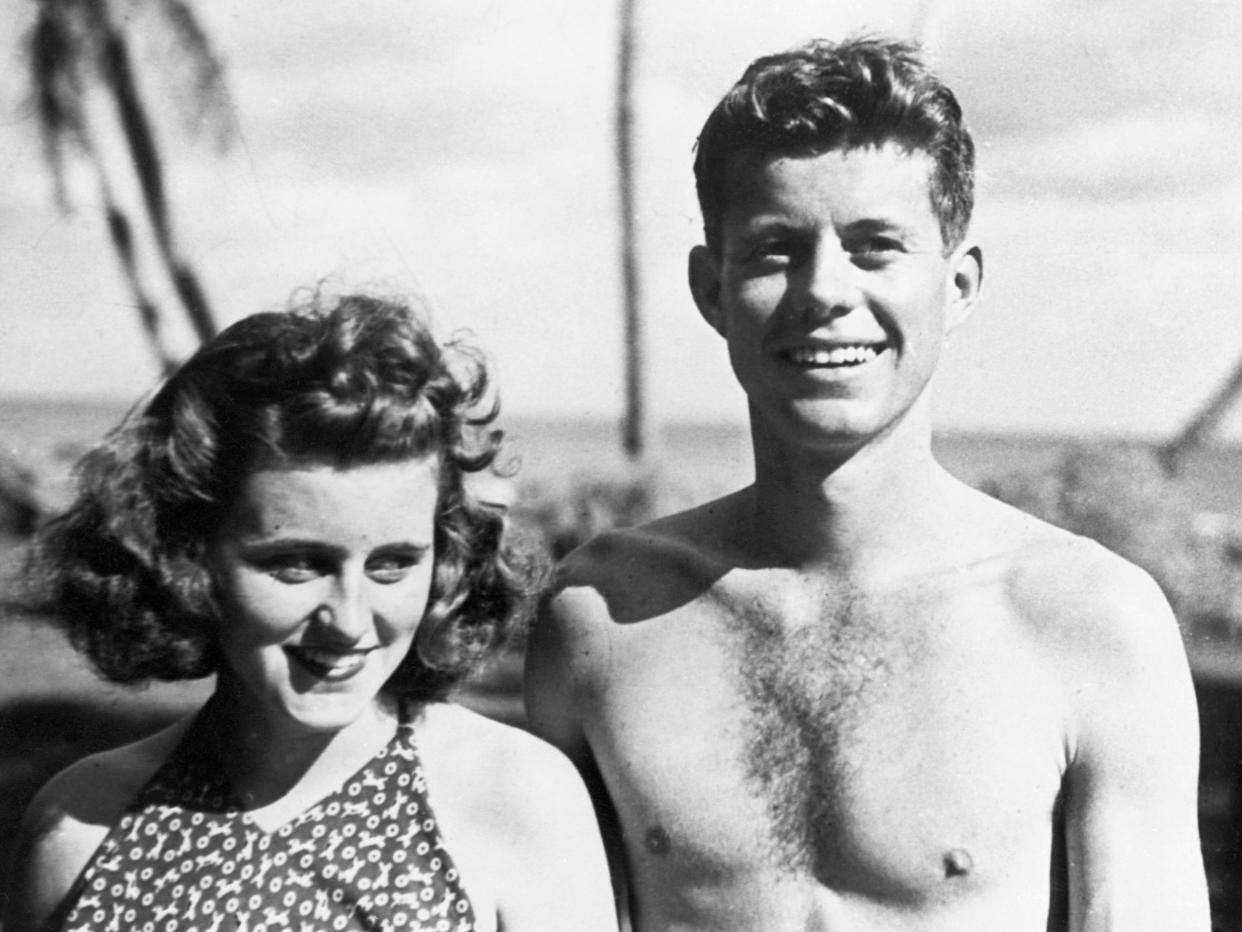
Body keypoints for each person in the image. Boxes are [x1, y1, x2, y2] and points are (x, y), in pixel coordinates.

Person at [525, 35, 1210, 931]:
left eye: (875, 246)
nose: (825, 292)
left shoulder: (1088, 625)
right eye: (776, 250)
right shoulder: (600, 618)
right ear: (711, 288)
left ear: (958, 285)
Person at [5, 292, 614, 932]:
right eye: (297, 564)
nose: (349, 621)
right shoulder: (79, 827)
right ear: (187, 555)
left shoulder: (514, 798)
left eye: (393, 564)